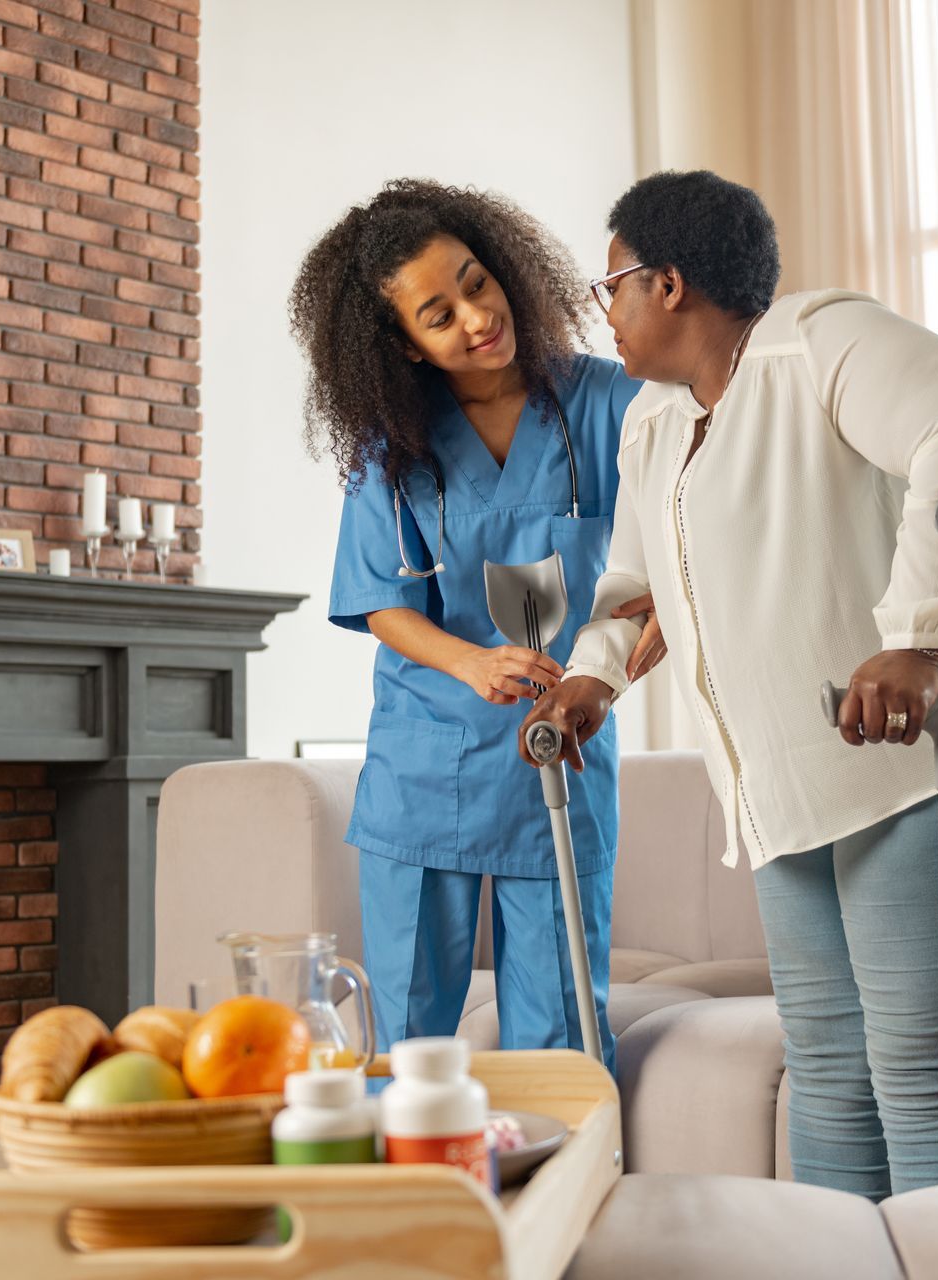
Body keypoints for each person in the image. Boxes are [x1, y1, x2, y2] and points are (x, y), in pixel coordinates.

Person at [521, 170, 938, 1194]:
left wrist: (918, 639)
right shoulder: (652, 423)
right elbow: (634, 590)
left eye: (614, 285)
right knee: (825, 1072)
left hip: (937, 768)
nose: (607, 312)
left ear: (670, 282)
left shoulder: (817, 341)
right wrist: (591, 680)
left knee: (916, 1072)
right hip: (791, 794)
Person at [292, 180, 662, 1068]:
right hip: (427, 760)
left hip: (560, 744)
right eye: (438, 313)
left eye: (476, 283)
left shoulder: (607, 402)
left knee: (562, 1031)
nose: (475, 316)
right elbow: (381, 596)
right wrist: (470, 664)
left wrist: (618, 667)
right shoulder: (391, 444)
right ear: (406, 346)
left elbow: (674, 544)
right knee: (410, 1036)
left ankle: (563, 1200)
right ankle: (409, 1199)